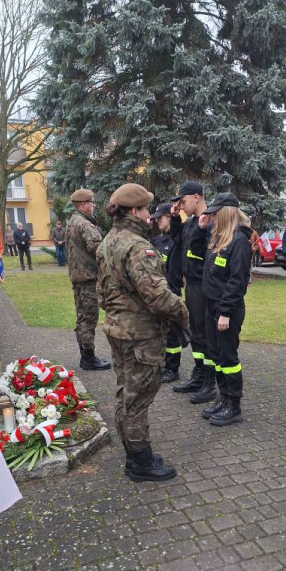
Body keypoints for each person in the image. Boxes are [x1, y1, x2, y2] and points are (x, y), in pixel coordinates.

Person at [96, 183, 190, 482]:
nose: (151, 215)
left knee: (127, 392)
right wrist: (184, 315)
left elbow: (102, 293)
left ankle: (134, 453)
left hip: (118, 330)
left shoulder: (108, 241)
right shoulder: (138, 247)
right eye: (147, 209)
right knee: (137, 399)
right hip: (140, 336)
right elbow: (159, 297)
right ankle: (140, 462)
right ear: (135, 211)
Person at [189, 192, 252, 425]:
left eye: (215, 213)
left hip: (227, 309)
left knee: (228, 357)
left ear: (226, 214)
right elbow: (194, 252)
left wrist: (225, 312)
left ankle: (233, 405)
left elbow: (237, 282)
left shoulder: (239, 242)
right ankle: (223, 398)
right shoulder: (217, 239)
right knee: (215, 355)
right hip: (211, 305)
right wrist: (200, 228)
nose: (212, 217)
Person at [170, 181, 216, 405]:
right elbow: (178, 242)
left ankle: (209, 381)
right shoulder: (189, 223)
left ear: (196, 197)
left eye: (184, 201)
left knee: (205, 333)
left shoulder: (210, 222)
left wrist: (200, 229)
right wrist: (173, 219)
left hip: (203, 285)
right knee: (196, 331)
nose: (181, 205)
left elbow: (207, 254)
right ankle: (199, 374)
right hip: (192, 285)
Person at [66, 189, 111, 371]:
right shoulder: (85, 224)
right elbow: (99, 249)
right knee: (89, 318)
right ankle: (88, 358)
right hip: (88, 279)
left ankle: (86, 355)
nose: (93, 206)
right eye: (91, 203)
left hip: (78, 278)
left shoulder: (72, 221)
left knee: (82, 317)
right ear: (83, 204)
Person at [151, 202, 184, 383]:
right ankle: (164, 364)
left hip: (172, 290)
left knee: (172, 331)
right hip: (158, 291)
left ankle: (173, 368)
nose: (157, 222)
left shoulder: (177, 239)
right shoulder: (158, 239)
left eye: (160, 218)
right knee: (162, 331)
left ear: (169, 217)